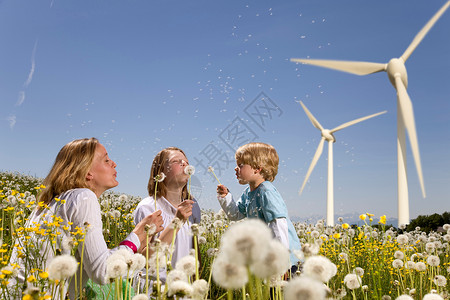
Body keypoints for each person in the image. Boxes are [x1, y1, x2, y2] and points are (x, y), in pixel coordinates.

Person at [8, 138, 164, 299]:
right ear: (87, 172)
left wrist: (137, 246)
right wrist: (137, 235)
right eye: (106, 160)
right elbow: (102, 271)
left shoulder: (48, 204)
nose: (114, 163)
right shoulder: (83, 197)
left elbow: (92, 260)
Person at [217, 142, 301, 273]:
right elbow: (235, 214)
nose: (236, 168)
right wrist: (226, 197)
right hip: (269, 257)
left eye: (241, 165)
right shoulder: (248, 193)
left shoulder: (266, 192)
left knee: (285, 292)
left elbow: (278, 225)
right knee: (274, 293)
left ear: (258, 168)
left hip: (288, 261)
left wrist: (283, 262)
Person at [133, 147, 201, 287]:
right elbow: (143, 259)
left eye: (186, 161)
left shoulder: (194, 207)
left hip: (184, 290)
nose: (184, 163)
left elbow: (195, 253)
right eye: (176, 161)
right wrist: (177, 222)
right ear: (160, 172)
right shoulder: (148, 207)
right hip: (155, 290)